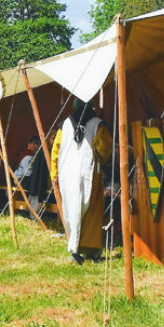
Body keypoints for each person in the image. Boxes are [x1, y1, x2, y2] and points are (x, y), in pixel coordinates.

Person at [50, 100, 112, 264]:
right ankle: (90, 249)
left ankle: (74, 248)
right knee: (91, 211)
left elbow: (55, 150)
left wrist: (54, 173)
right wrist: (103, 158)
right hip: (89, 172)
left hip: (67, 174)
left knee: (72, 209)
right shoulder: (98, 125)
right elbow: (104, 148)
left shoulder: (64, 125)